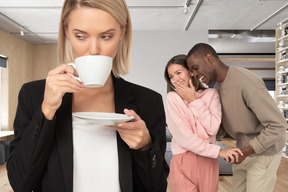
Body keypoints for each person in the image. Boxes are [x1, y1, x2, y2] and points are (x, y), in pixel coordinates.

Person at [6, 0, 169, 191]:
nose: (93, 49)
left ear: (122, 33)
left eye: (106, 36)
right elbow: (20, 183)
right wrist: (47, 110)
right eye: (81, 36)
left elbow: (157, 188)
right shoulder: (33, 95)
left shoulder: (149, 101)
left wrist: (145, 146)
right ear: (66, 32)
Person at [186, 43, 288, 192]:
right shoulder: (217, 89)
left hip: (264, 152)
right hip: (241, 151)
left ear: (209, 58)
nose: (194, 74)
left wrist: (248, 150)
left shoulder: (246, 81)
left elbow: (278, 125)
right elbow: (220, 129)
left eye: (195, 68)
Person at [164, 54, 242, 192]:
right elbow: (184, 137)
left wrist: (193, 100)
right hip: (183, 160)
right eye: (171, 76)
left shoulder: (211, 94)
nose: (175, 79)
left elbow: (212, 129)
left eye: (178, 73)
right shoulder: (172, 98)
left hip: (208, 162)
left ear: (191, 72)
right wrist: (218, 151)